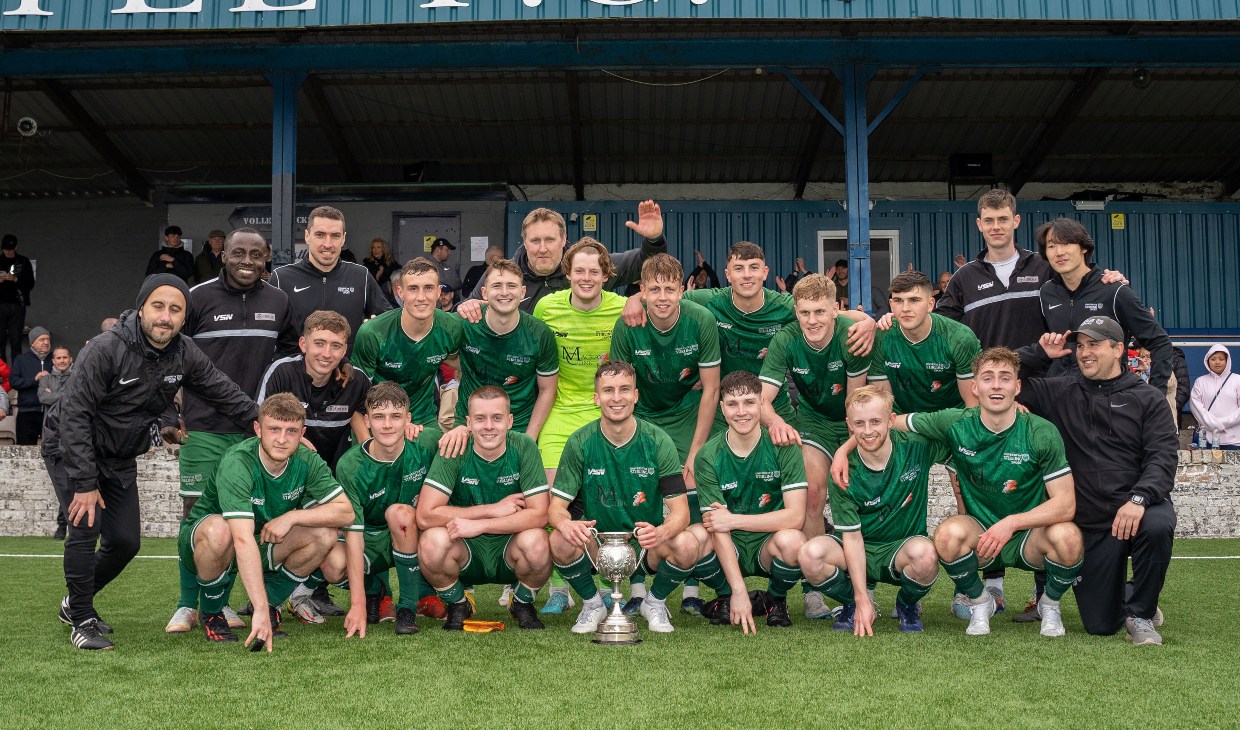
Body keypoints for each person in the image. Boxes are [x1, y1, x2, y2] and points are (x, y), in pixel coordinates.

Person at [42, 274, 258, 650]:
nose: (166, 316)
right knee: (85, 527)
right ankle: (81, 618)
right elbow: (75, 415)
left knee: (125, 542)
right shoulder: (106, 349)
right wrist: (85, 484)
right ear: (141, 308)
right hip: (70, 448)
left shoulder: (184, 351)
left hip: (119, 454)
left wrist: (266, 425)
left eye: (176, 309)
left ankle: (73, 603)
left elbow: (223, 392)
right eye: (158, 306)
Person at [852, 347, 1084, 638]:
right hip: (982, 534)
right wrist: (845, 450)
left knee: (1069, 536)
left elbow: (1066, 504)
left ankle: (1049, 604)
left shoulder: (1041, 431)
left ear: (1017, 386)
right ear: (975, 387)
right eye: (988, 378)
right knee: (946, 535)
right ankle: (980, 603)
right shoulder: (956, 422)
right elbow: (884, 422)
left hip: (1028, 535)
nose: (996, 385)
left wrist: (1010, 523)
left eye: (1005, 378)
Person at [165, 228, 297, 635]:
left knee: (246, 520)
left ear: (266, 259)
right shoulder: (197, 297)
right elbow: (167, 357)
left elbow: (294, 354)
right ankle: (188, 604)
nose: (246, 261)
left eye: (256, 255)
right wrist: (170, 413)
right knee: (197, 516)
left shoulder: (279, 301)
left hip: (255, 432)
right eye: (238, 252)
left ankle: (219, 605)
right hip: (203, 427)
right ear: (223, 255)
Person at [1017, 316, 1179, 645]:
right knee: (1100, 625)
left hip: (1137, 508)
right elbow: (1002, 379)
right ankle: (1132, 594)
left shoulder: (1148, 399)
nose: (1084, 353)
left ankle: (1142, 615)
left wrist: (1138, 500)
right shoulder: (1060, 391)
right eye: (1080, 346)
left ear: (1118, 349)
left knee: (1158, 523)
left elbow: (1162, 457)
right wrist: (1040, 354)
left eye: (1095, 344)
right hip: (1091, 522)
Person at [176, 393, 355, 649]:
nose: (282, 439)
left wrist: (292, 517)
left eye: (291, 431)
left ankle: (271, 606)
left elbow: (346, 513)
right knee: (220, 530)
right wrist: (256, 609)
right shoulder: (238, 462)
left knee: (324, 534)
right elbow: (241, 537)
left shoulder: (307, 460)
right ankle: (212, 612)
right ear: (258, 429)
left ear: (302, 432)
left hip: (261, 539)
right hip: (208, 543)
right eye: (274, 429)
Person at [549, 361, 698, 634]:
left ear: (636, 396)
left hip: (645, 543)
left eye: (624, 389)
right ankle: (593, 604)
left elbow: (681, 512)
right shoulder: (580, 441)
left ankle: (653, 603)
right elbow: (556, 508)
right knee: (559, 539)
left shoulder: (658, 440)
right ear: (596, 398)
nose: (616, 398)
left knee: (687, 543)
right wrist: (566, 524)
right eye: (608, 390)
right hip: (596, 541)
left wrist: (662, 532)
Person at [609, 254, 720, 616]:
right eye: (653, 289)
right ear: (641, 291)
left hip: (687, 411)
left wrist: (695, 452)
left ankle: (690, 590)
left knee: (689, 488)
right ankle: (638, 589)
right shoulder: (628, 325)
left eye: (669, 289)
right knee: (643, 491)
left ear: (682, 290)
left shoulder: (700, 320)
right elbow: (619, 387)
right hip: (641, 413)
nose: (661, 297)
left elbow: (711, 389)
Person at [672, 241, 874, 436]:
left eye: (754, 267)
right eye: (739, 268)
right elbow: (664, 301)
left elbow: (824, 313)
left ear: (765, 272)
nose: (747, 275)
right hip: (726, 406)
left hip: (773, 404)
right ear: (728, 274)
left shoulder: (783, 305)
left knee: (790, 460)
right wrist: (638, 299)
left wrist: (867, 321)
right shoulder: (711, 300)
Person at [801, 386, 948, 634]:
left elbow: (958, 435)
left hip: (900, 548)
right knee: (810, 555)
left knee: (925, 555)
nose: (868, 431)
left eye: (875, 421)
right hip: (859, 547)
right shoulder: (843, 471)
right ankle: (851, 604)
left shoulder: (916, 446)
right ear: (849, 425)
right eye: (859, 423)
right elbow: (852, 537)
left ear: (891, 421)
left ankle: (907, 604)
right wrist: (861, 599)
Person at [416, 386, 552, 630]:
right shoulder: (455, 447)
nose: (489, 426)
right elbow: (425, 515)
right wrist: (490, 509)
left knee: (539, 542)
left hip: (509, 547)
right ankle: (458, 603)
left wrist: (481, 524)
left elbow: (540, 514)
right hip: (465, 548)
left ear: (509, 421)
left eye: (497, 418)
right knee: (431, 542)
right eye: (480, 418)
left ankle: (521, 602)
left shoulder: (523, 446)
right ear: (468, 422)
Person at [694, 371, 809, 633]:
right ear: (722, 409)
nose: (741, 411)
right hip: (729, 543)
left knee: (794, 541)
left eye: (748, 402)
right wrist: (738, 591)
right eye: (733, 404)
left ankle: (775, 599)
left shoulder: (784, 446)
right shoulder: (708, 456)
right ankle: (725, 596)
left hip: (767, 543)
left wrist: (734, 519)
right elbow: (716, 525)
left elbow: (795, 517)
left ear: (761, 405)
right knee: (696, 537)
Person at [760, 273, 870, 546]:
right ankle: (815, 580)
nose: (812, 320)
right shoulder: (786, 340)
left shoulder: (851, 335)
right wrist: (774, 422)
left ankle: (864, 571)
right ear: (795, 312)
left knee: (860, 491)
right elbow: (761, 400)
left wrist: (846, 447)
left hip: (853, 421)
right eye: (805, 312)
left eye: (820, 311)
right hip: (814, 420)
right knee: (811, 492)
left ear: (835, 309)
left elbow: (855, 404)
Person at [326, 382, 439, 636]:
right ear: (366, 421)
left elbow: (464, 451)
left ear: (408, 419)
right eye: (379, 417)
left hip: (415, 533)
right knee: (332, 565)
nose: (387, 424)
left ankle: (408, 608)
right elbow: (353, 534)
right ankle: (372, 590)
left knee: (401, 514)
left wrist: (461, 430)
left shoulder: (427, 441)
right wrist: (357, 606)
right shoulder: (350, 465)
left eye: (396, 417)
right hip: (370, 539)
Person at [1035, 217, 1173, 393]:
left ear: (1084, 247)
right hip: (1060, 399)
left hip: (1106, 399)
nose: (1059, 252)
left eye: (1067, 243)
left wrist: (1156, 395)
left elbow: (1160, 342)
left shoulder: (1114, 290)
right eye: (1051, 246)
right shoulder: (1046, 293)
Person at [460, 200, 669, 312]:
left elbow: (644, 263)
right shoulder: (504, 275)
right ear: (524, 242)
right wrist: (467, 307)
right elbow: (465, 309)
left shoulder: (585, 268)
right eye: (535, 241)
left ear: (563, 239)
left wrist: (653, 239)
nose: (543, 248)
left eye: (550, 240)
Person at [441, 258, 558, 450]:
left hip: (518, 427)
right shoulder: (466, 323)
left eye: (511, 285)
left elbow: (548, 390)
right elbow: (430, 337)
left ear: (522, 292)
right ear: (485, 293)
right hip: (468, 426)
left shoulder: (539, 333)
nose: (504, 292)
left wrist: (529, 438)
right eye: (497, 285)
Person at [353, 257, 464, 430]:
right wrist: (366, 444)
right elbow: (355, 397)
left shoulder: (452, 326)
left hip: (423, 419)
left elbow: (470, 364)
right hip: (380, 422)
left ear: (438, 292)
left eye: (428, 288)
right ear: (400, 292)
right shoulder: (373, 333)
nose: (421, 297)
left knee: (443, 451)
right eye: (413, 289)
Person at [257, 310, 372, 471]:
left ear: (345, 350)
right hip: (284, 471)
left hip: (332, 475)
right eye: (319, 343)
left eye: (336, 346)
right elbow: (257, 427)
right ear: (303, 344)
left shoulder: (356, 381)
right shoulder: (281, 372)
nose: (326, 354)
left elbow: (379, 422)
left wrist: (408, 426)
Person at [269, 206, 393, 343]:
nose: (328, 244)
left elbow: (390, 324)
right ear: (307, 236)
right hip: (296, 364)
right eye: (320, 234)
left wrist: (374, 329)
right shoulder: (281, 278)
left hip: (349, 364)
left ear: (343, 239)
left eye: (335, 236)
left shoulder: (361, 276)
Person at [868, 271, 982, 415]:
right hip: (901, 423)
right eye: (898, 301)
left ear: (930, 304)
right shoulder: (881, 337)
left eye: (914, 300)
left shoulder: (960, 338)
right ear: (890, 304)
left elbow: (972, 407)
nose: (905, 308)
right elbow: (883, 407)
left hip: (951, 422)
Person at [38, 345, 74, 538]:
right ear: (53, 361)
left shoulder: (76, 377)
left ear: (71, 359)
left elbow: (74, 398)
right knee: (62, 486)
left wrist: (56, 396)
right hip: (52, 436)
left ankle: (67, 525)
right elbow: (43, 396)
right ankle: (62, 526)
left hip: (72, 436)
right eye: (58, 358)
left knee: (70, 486)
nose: (61, 361)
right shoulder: (45, 378)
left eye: (64, 357)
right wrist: (65, 396)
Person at [1190, 345, 1239, 450]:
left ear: (1227, 361)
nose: (1217, 362)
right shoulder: (1200, 381)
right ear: (1207, 361)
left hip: (1234, 439)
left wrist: (1222, 423)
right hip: (1207, 439)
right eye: (1213, 359)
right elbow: (1196, 407)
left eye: (1221, 359)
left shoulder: (1237, 380)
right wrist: (1215, 425)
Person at [10, 325, 53, 445]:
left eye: (48, 339)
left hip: (51, 412)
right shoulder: (21, 359)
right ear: (32, 343)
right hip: (28, 412)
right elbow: (13, 382)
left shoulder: (56, 358)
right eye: (41, 339)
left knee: (53, 449)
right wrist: (34, 380)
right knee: (25, 449)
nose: (46, 342)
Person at [0, 233, 35, 364]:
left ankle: (16, 373)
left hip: (17, 304)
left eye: (11, 249)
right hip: (1, 303)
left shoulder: (23, 261)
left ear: (16, 247)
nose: (8, 252)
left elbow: (30, 283)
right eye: (5, 249)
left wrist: (16, 279)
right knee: (0, 340)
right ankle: (1, 374)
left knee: (16, 340)